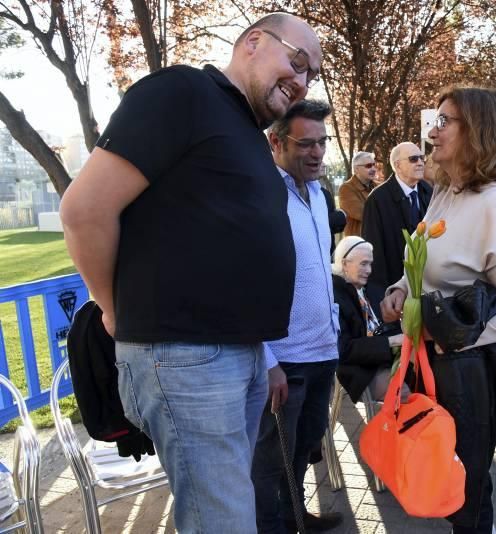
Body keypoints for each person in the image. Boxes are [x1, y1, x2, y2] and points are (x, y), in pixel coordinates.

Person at [59, 13, 320, 533]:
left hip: (236, 353)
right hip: (184, 357)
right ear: (252, 42)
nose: (302, 80)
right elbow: (84, 211)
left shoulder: (243, 129)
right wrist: (112, 307)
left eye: (311, 73)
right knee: (222, 522)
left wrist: (261, 356)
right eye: (296, 61)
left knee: (225, 512)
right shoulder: (182, 93)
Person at [382, 86, 496, 534]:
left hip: (469, 372)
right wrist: (399, 288)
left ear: (479, 131)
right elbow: (427, 263)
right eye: (436, 120)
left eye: (444, 121)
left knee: (467, 492)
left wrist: (448, 334)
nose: (432, 131)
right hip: (435, 363)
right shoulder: (447, 191)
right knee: (448, 479)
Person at [251, 100, 342, 534]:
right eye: (305, 143)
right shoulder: (260, 196)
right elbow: (242, 282)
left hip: (323, 351)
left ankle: (295, 518)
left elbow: (316, 269)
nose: (317, 152)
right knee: (268, 467)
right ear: (275, 141)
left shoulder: (320, 195)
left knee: (304, 450)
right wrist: (267, 362)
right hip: (284, 362)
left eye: (322, 143)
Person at [331, 236, 408, 402]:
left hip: (385, 359)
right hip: (359, 369)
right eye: (363, 264)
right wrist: (392, 341)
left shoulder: (371, 289)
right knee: (402, 393)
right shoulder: (335, 296)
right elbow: (345, 350)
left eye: (370, 264)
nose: (369, 270)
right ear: (344, 264)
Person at [361, 142, 433, 288]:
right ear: (398, 165)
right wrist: (381, 294)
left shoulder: (429, 191)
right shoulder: (378, 199)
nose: (420, 163)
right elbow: (375, 252)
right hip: (393, 285)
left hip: (426, 284)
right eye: (413, 159)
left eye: (421, 158)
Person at [339, 151, 378, 236]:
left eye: (374, 164)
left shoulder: (379, 187)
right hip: (359, 242)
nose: (373, 169)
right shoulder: (346, 188)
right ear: (356, 169)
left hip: (378, 239)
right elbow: (364, 213)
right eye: (368, 166)